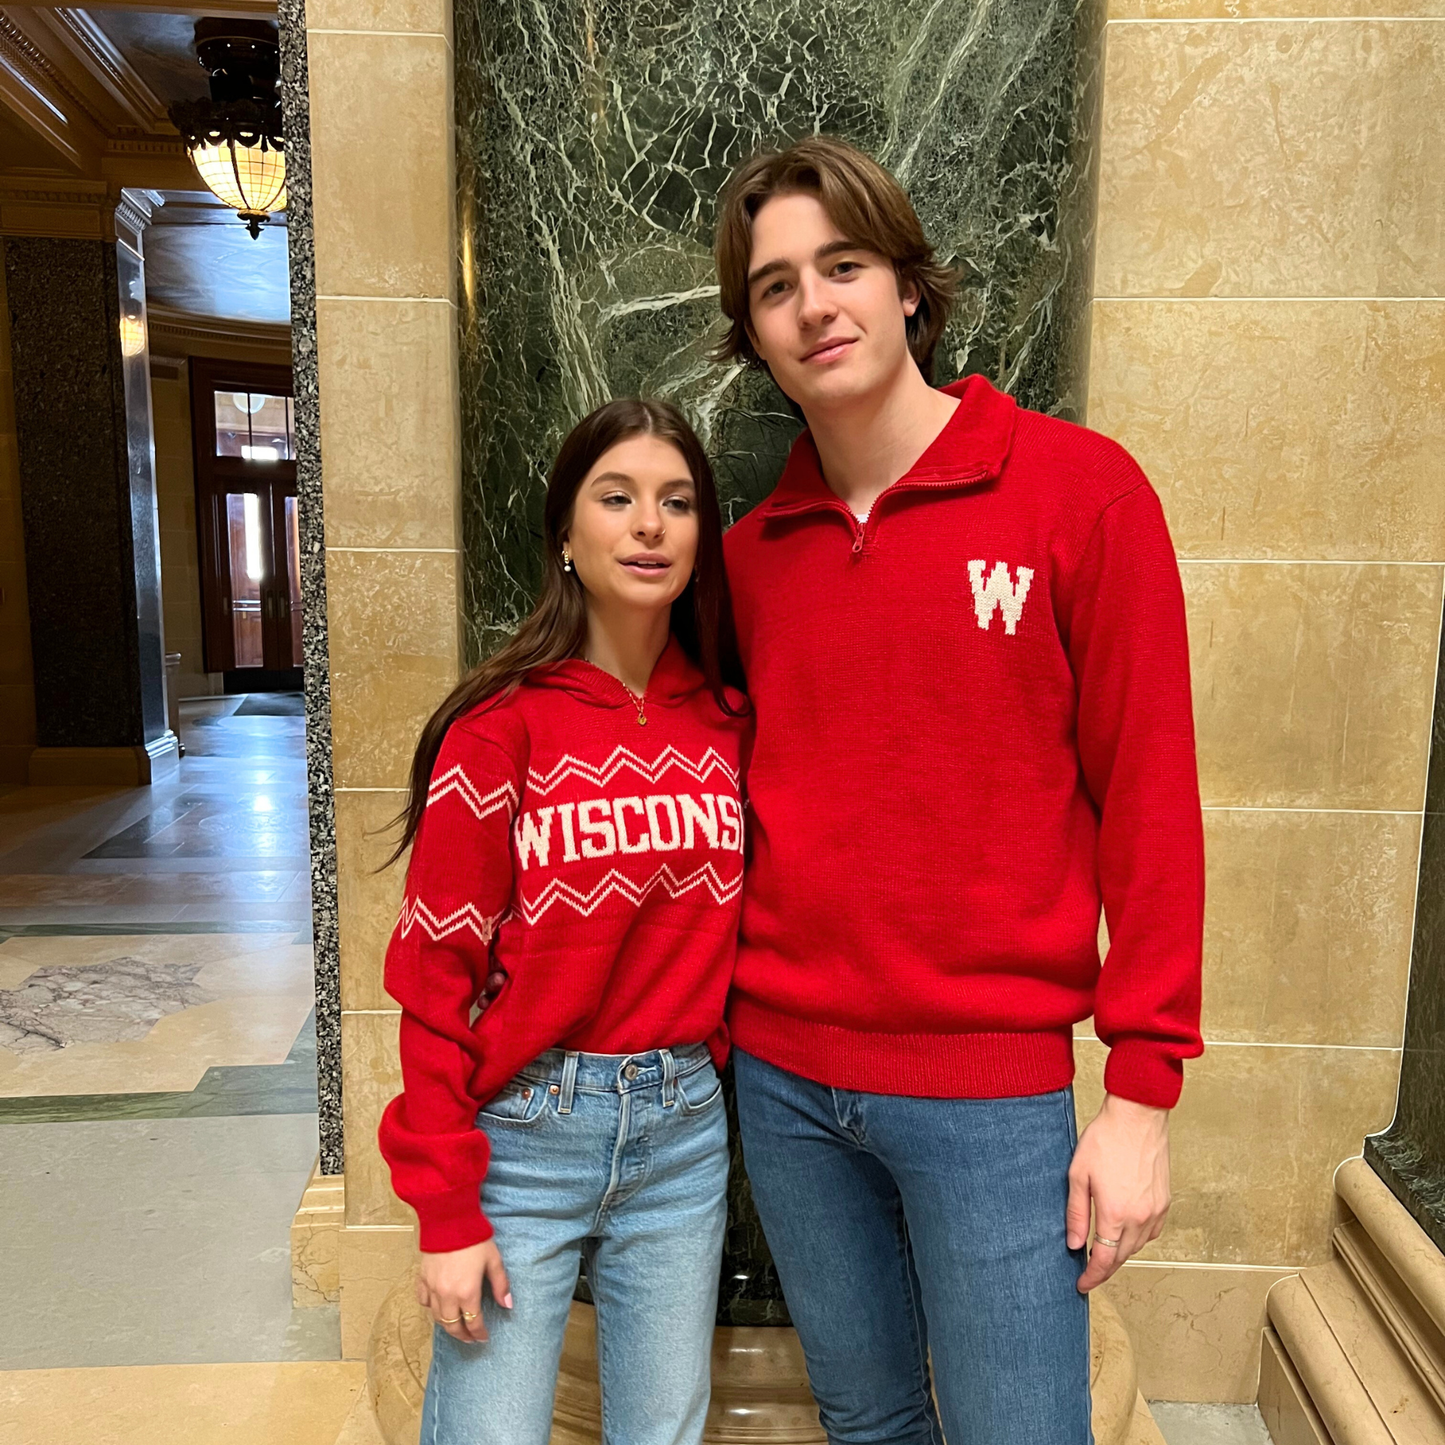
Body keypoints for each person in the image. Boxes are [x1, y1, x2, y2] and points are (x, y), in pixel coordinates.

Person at [712, 136, 1205, 1445]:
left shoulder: (1080, 494)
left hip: (989, 1095)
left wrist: (1141, 1097)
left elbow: (1151, 804)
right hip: (784, 1081)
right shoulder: (748, 561)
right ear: (751, 335)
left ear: (906, 285)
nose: (813, 305)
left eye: (842, 265)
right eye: (774, 286)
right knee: (868, 1425)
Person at [377, 398, 750, 1445]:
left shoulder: (727, 721)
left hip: (682, 1130)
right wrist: (446, 1210)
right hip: (527, 1134)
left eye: (677, 502)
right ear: (565, 536)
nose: (649, 525)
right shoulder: (499, 727)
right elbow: (433, 977)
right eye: (616, 497)